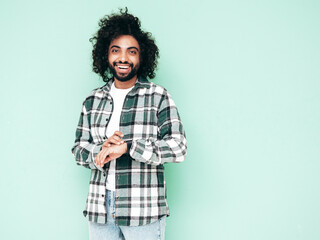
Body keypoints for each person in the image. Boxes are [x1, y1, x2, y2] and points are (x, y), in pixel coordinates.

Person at [71, 8, 187, 240]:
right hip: (100, 208)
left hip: (142, 209)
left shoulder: (158, 96)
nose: (123, 58)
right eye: (116, 51)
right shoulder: (92, 100)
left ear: (141, 57)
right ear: (106, 55)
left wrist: (128, 147)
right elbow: (78, 149)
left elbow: (178, 147)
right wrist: (101, 150)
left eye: (131, 52)